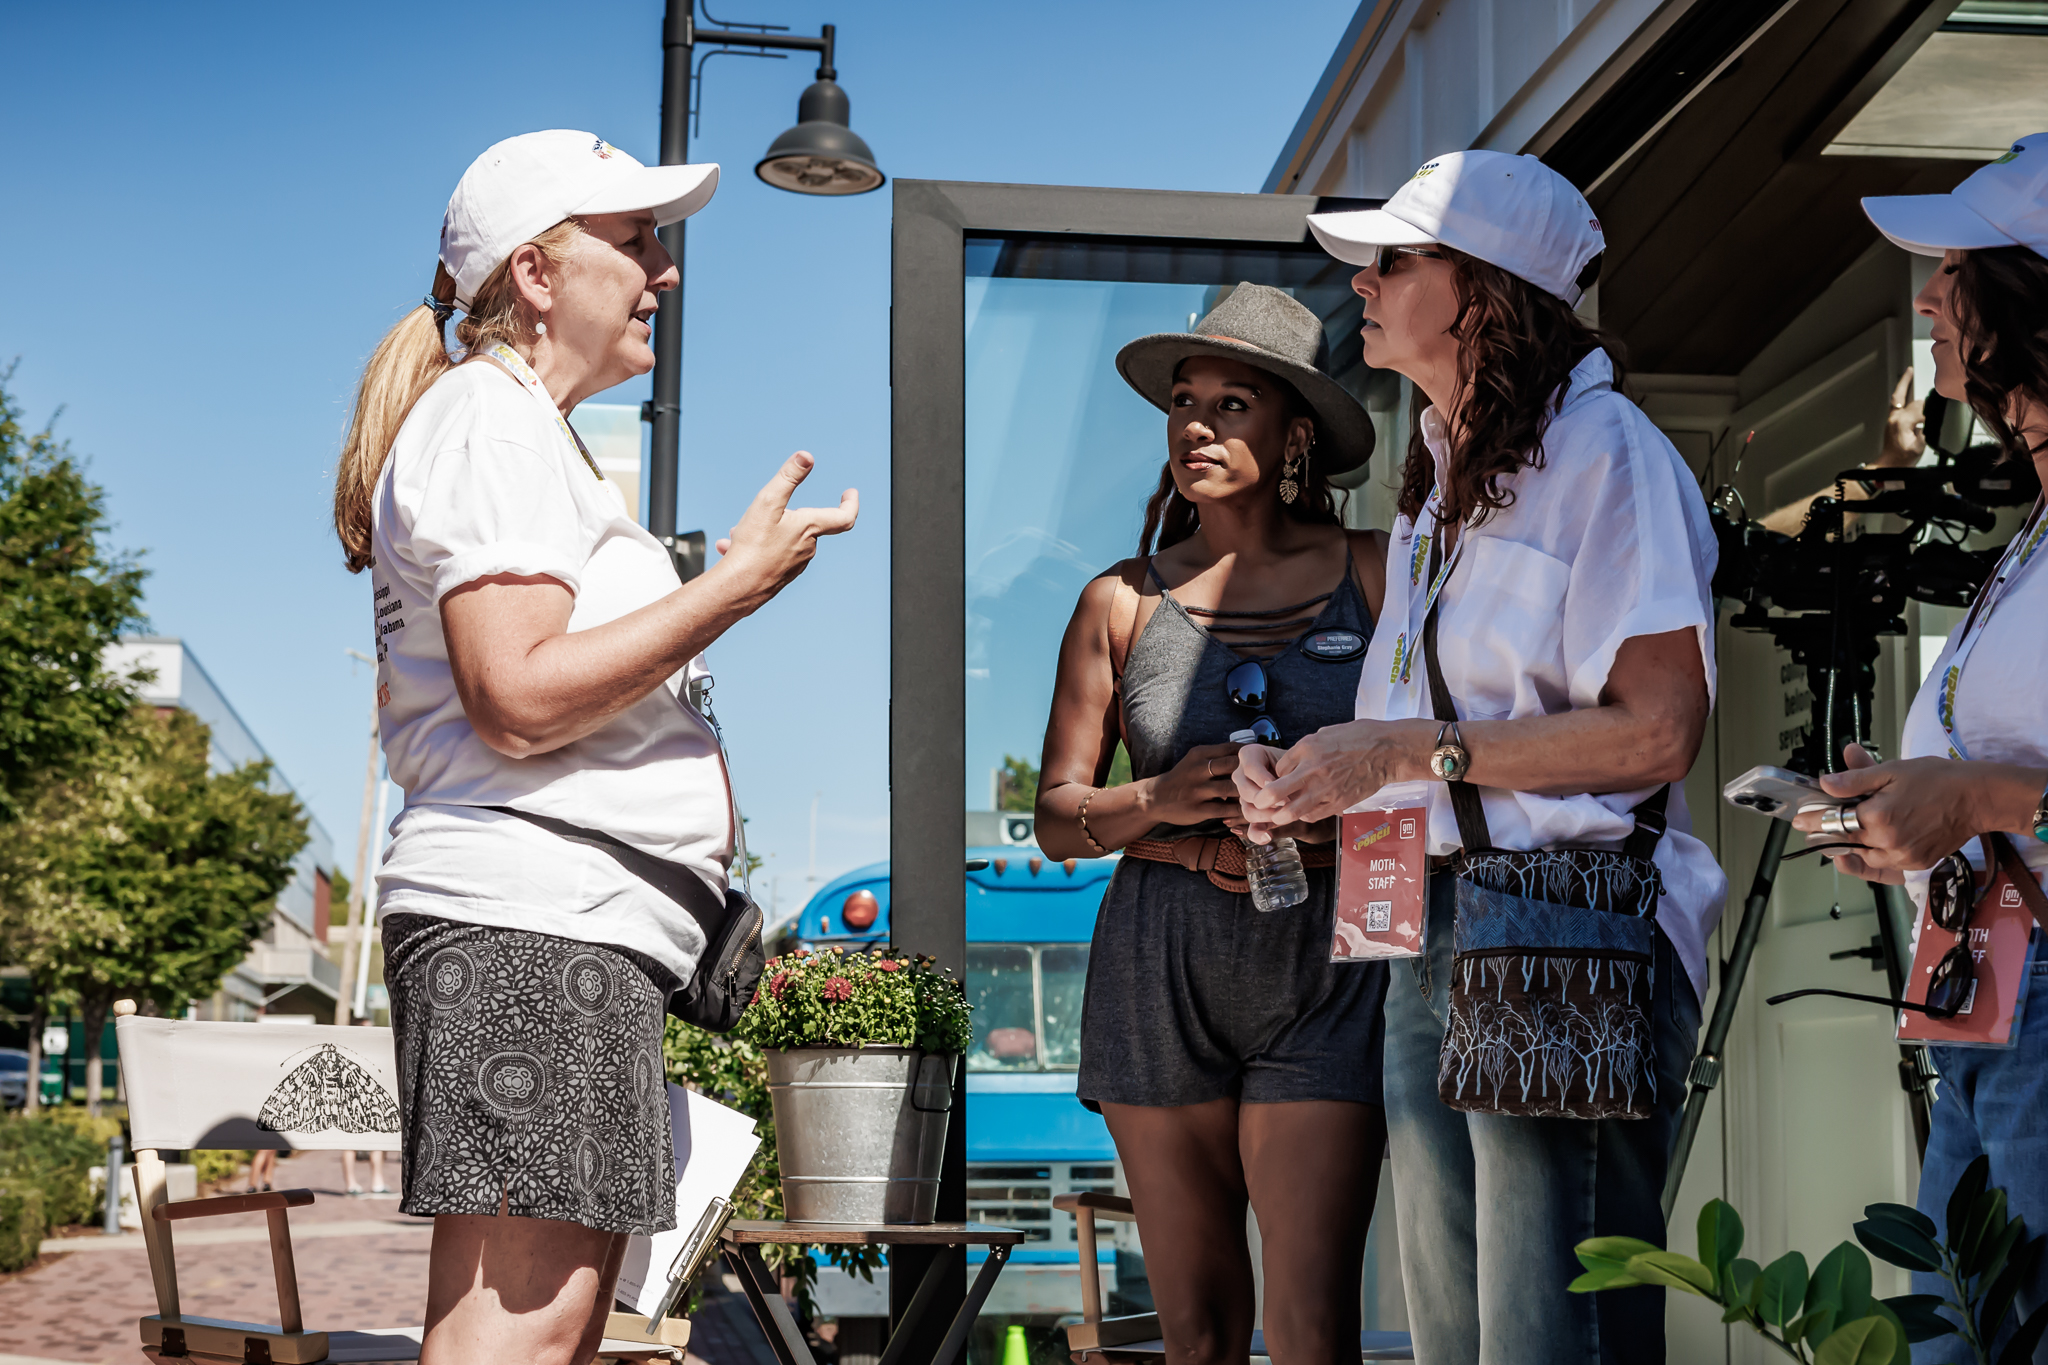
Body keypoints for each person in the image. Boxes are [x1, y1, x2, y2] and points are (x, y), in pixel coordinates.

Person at [331, 130, 856, 1365]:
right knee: (529, 1331)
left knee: (521, 1329)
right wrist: (729, 590)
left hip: (553, 925)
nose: (663, 270)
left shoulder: (510, 428)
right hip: (536, 923)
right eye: (634, 242)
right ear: (536, 273)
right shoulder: (493, 426)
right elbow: (514, 693)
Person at [1237, 152, 1725, 1364]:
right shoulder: (1438, 484)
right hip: (1432, 922)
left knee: (1549, 1334)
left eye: (1396, 259)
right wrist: (1316, 788)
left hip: (1563, 922)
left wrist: (1402, 747)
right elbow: (1427, 745)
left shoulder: (1606, 454)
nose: (1361, 281)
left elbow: (1658, 731)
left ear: (1484, 291)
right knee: (1454, 1335)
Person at [1033, 283, 1391, 1365]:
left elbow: (1433, 764)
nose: (1195, 424)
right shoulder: (1119, 601)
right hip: (1161, 965)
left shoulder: (1375, 575)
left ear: (1294, 432)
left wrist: (1339, 823)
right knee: (1194, 1331)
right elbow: (1054, 817)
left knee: (1311, 1322)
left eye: (1231, 404)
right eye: (1183, 402)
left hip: (1331, 966)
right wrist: (1159, 800)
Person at [1795, 136, 2048, 1363]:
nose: (1927, 300)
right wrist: (1906, 819)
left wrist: (1971, 796)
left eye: (1956, 270)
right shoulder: (2034, 523)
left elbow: (2007, 787)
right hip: (1987, 991)